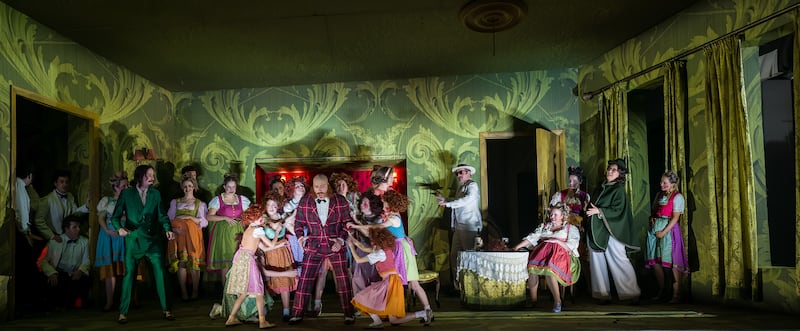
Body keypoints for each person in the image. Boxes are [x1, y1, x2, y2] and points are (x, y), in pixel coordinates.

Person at [350, 190, 434, 322]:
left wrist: (356, 225)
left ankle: (427, 310)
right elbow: (373, 232)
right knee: (398, 282)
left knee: (413, 284)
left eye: (385, 204)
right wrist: (357, 225)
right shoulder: (390, 217)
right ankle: (396, 311)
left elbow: (377, 227)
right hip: (394, 249)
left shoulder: (394, 219)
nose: (383, 207)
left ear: (391, 205)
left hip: (402, 251)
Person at [110, 164, 176, 324]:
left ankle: (167, 309)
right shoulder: (127, 194)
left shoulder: (155, 194)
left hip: (153, 241)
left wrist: (167, 228)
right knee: (129, 274)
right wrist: (119, 229)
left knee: (160, 272)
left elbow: (162, 215)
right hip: (134, 240)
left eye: (153, 175)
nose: (152, 178)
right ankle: (123, 312)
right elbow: (115, 217)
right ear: (140, 177)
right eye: (149, 175)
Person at [288, 174, 355, 325]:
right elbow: (298, 224)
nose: (319, 190)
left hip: (334, 245)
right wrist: (300, 239)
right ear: (312, 187)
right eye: (316, 186)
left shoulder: (340, 200)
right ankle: (297, 314)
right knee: (305, 280)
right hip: (313, 245)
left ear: (328, 185)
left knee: (343, 280)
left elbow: (347, 223)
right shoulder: (305, 201)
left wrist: (341, 240)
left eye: (322, 186)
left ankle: (349, 314)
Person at [347, 227, 433, 328]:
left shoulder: (379, 253)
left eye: (372, 240)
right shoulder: (385, 249)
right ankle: (423, 313)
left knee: (361, 297)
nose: (371, 242)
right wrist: (352, 239)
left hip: (390, 283)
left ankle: (377, 321)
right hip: (393, 282)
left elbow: (358, 260)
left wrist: (351, 247)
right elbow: (364, 248)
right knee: (394, 320)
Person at [585, 158, 641, 304]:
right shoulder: (600, 187)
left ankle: (630, 293)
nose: (610, 171)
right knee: (596, 259)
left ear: (619, 174)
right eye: (609, 169)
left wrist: (599, 211)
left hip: (613, 230)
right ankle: (601, 293)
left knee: (618, 259)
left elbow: (618, 210)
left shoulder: (618, 190)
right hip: (597, 229)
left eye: (614, 170)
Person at [513, 203, 581, 313]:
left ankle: (557, 301)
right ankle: (533, 300)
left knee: (549, 269)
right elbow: (532, 238)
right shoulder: (544, 227)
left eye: (555, 215)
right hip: (543, 254)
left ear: (562, 216)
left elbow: (572, 245)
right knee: (532, 269)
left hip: (561, 256)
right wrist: (517, 247)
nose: (552, 217)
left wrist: (556, 241)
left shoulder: (570, 228)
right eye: (551, 214)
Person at [223, 206, 276, 329]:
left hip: (241, 259)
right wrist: (277, 233)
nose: (261, 218)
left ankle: (231, 318)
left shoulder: (249, 229)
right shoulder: (257, 230)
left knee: (243, 292)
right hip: (248, 260)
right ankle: (262, 321)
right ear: (254, 218)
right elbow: (271, 245)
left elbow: (258, 246)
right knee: (258, 291)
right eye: (259, 216)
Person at [645, 171, 689, 303]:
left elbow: (675, 217)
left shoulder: (677, 197)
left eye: (665, 182)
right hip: (656, 228)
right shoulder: (660, 195)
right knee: (655, 261)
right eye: (661, 182)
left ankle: (676, 294)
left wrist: (664, 232)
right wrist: (652, 218)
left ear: (673, 184)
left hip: (668, 230)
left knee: (670, 261)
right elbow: (656, 211)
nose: (661, 184)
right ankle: (663, 291)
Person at [437, 163, 482, 290]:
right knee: (455, 256)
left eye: (461, 172)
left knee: (469, 256)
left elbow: (467, 200)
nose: (459, 175)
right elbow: (457, 200)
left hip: (469, 226)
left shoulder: (472, 185)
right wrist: (445, 199)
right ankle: (459, 286)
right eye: (458, 173)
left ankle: (471, 287)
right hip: (459, 226)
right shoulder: (461, 187)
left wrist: (448, 204)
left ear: (469, 173)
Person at [167, 176, 208, 301]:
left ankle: (195, 291)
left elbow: (204, 222)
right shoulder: (175, 202)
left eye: (190, 186)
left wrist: (189, 218)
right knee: (182, 262)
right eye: (185, 186)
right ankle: (183, 291)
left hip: (193, 235)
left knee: (194, 263)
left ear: (194, 187)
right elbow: (169, 219)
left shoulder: (199, 203)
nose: (187, 188)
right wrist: (175, 229)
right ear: (182, 187)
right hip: (179, 235)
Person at [39, 215, 91, 310]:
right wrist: (51, 273)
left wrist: (80, 270)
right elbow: (43, 261)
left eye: (79, 227)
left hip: (75, 273)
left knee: (85, 280)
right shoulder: (55, 242)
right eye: (74, 227)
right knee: (56, 283)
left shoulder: (84, 241)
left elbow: (86, 260)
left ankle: (77, 304)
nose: (78, 229)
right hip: (60, 273)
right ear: (66, 229)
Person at [206, 174, 250, 286]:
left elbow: (249, 216)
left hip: (239, 232)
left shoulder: (242, 199)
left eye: (233, 187)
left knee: (238, 261)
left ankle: (237, 288)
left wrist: (244, 220)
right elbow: (209, 217)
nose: (231, 189)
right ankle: (225, 290)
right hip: (224, 233)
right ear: (224, 187)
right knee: (226, 262)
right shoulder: (218, 200)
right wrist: (225, 218)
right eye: (229, 187)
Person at [95, 171, 129, 311]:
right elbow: (101, 218)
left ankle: (130, 300)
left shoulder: (129, 200)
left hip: (124, 235)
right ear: (115, 187)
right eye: (123, 186)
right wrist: (108, 231)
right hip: (110, 235)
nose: (126, 188)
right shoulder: (107, 201)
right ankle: (109, 302)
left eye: (127, 186)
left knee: (128, 268)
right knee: (110, 270)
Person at [262, 191, 298, 321]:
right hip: (269, 252)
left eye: (274, 205)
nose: (271, 207)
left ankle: (286, 310)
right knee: (269, 281)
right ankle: (263, 308)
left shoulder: (282, 216)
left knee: (284, 280)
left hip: (283, 252)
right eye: (269, 205)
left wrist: (295, 210)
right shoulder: (263, 219)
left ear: (278, 205)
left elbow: (291, 218)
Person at [34, 170, 89, 243]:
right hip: (54, 237)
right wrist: (51, 236)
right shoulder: (47, 200)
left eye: (67, 182)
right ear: (55, 183)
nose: (65, 184)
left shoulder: (70, 196)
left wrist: (86, 206)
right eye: (62, 182)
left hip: (68, 237)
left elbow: (75, 214)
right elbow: (38, 221)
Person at [350, 191, 383, 294]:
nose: (362, 205)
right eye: (361, 203)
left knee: (374, 277)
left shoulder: (378, 220)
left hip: (374, 250)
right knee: (358, 276)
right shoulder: (362, 217)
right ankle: (359, 301)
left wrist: (357, 223)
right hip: (361, 249)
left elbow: (370, 235)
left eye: (365, 203)